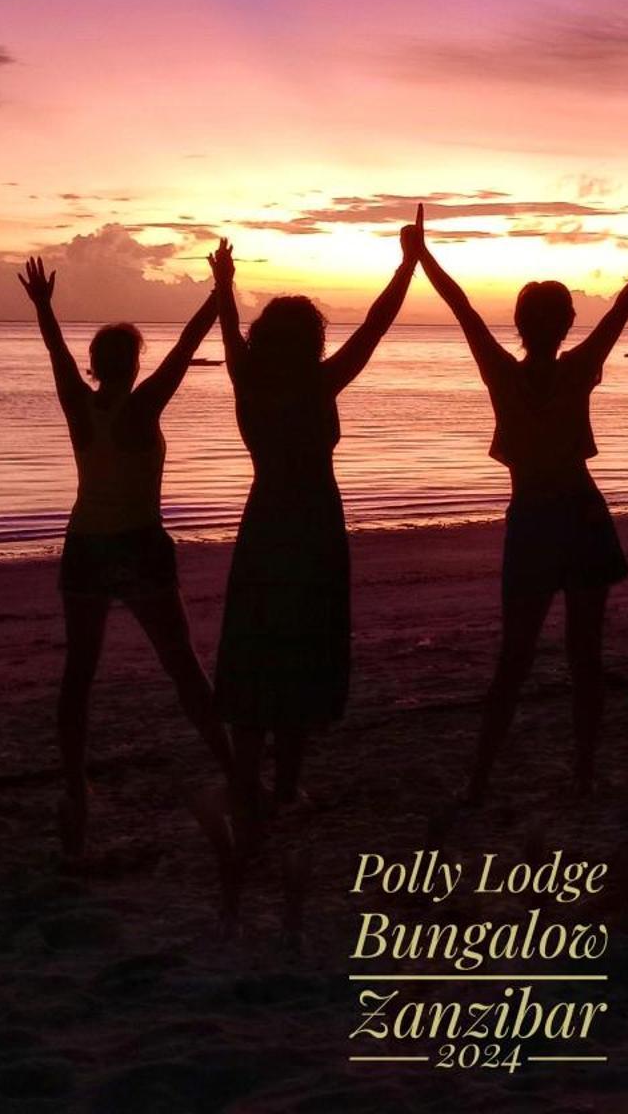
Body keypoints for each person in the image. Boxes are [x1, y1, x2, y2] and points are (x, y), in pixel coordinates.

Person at [408, 199, 628, 805]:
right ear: (564, 325)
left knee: (520, 658)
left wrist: (423, 256)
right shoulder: (577, 366)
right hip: (575, 518)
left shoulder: (507, 374)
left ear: (523, 324)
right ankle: (574, 774)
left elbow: (464, 311)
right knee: (581, 656)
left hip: (538, 522)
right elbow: (625, 305)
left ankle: (487, 779)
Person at [207, 227, 418, 851]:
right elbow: (377, 325)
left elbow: (227, 326)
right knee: (300, 650)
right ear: (312, 341)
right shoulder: (319, 382)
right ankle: (286, 785)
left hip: (266, 520)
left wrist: (223, 285)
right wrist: (408, 263)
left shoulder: (247, 379)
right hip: (314, 525)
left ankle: (252, 784)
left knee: (257, 647)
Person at [17, 256, 233, 859]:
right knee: (182, 666)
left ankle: (75, 788)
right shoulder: (142, 407)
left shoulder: (79, 408)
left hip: (86, 545)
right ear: (134, 365)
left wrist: (44, 307)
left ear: (97, 366)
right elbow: (188, 345)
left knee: (79, 675)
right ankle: (234, 769)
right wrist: (219, 291)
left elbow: (57, 358)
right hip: (136, 544)